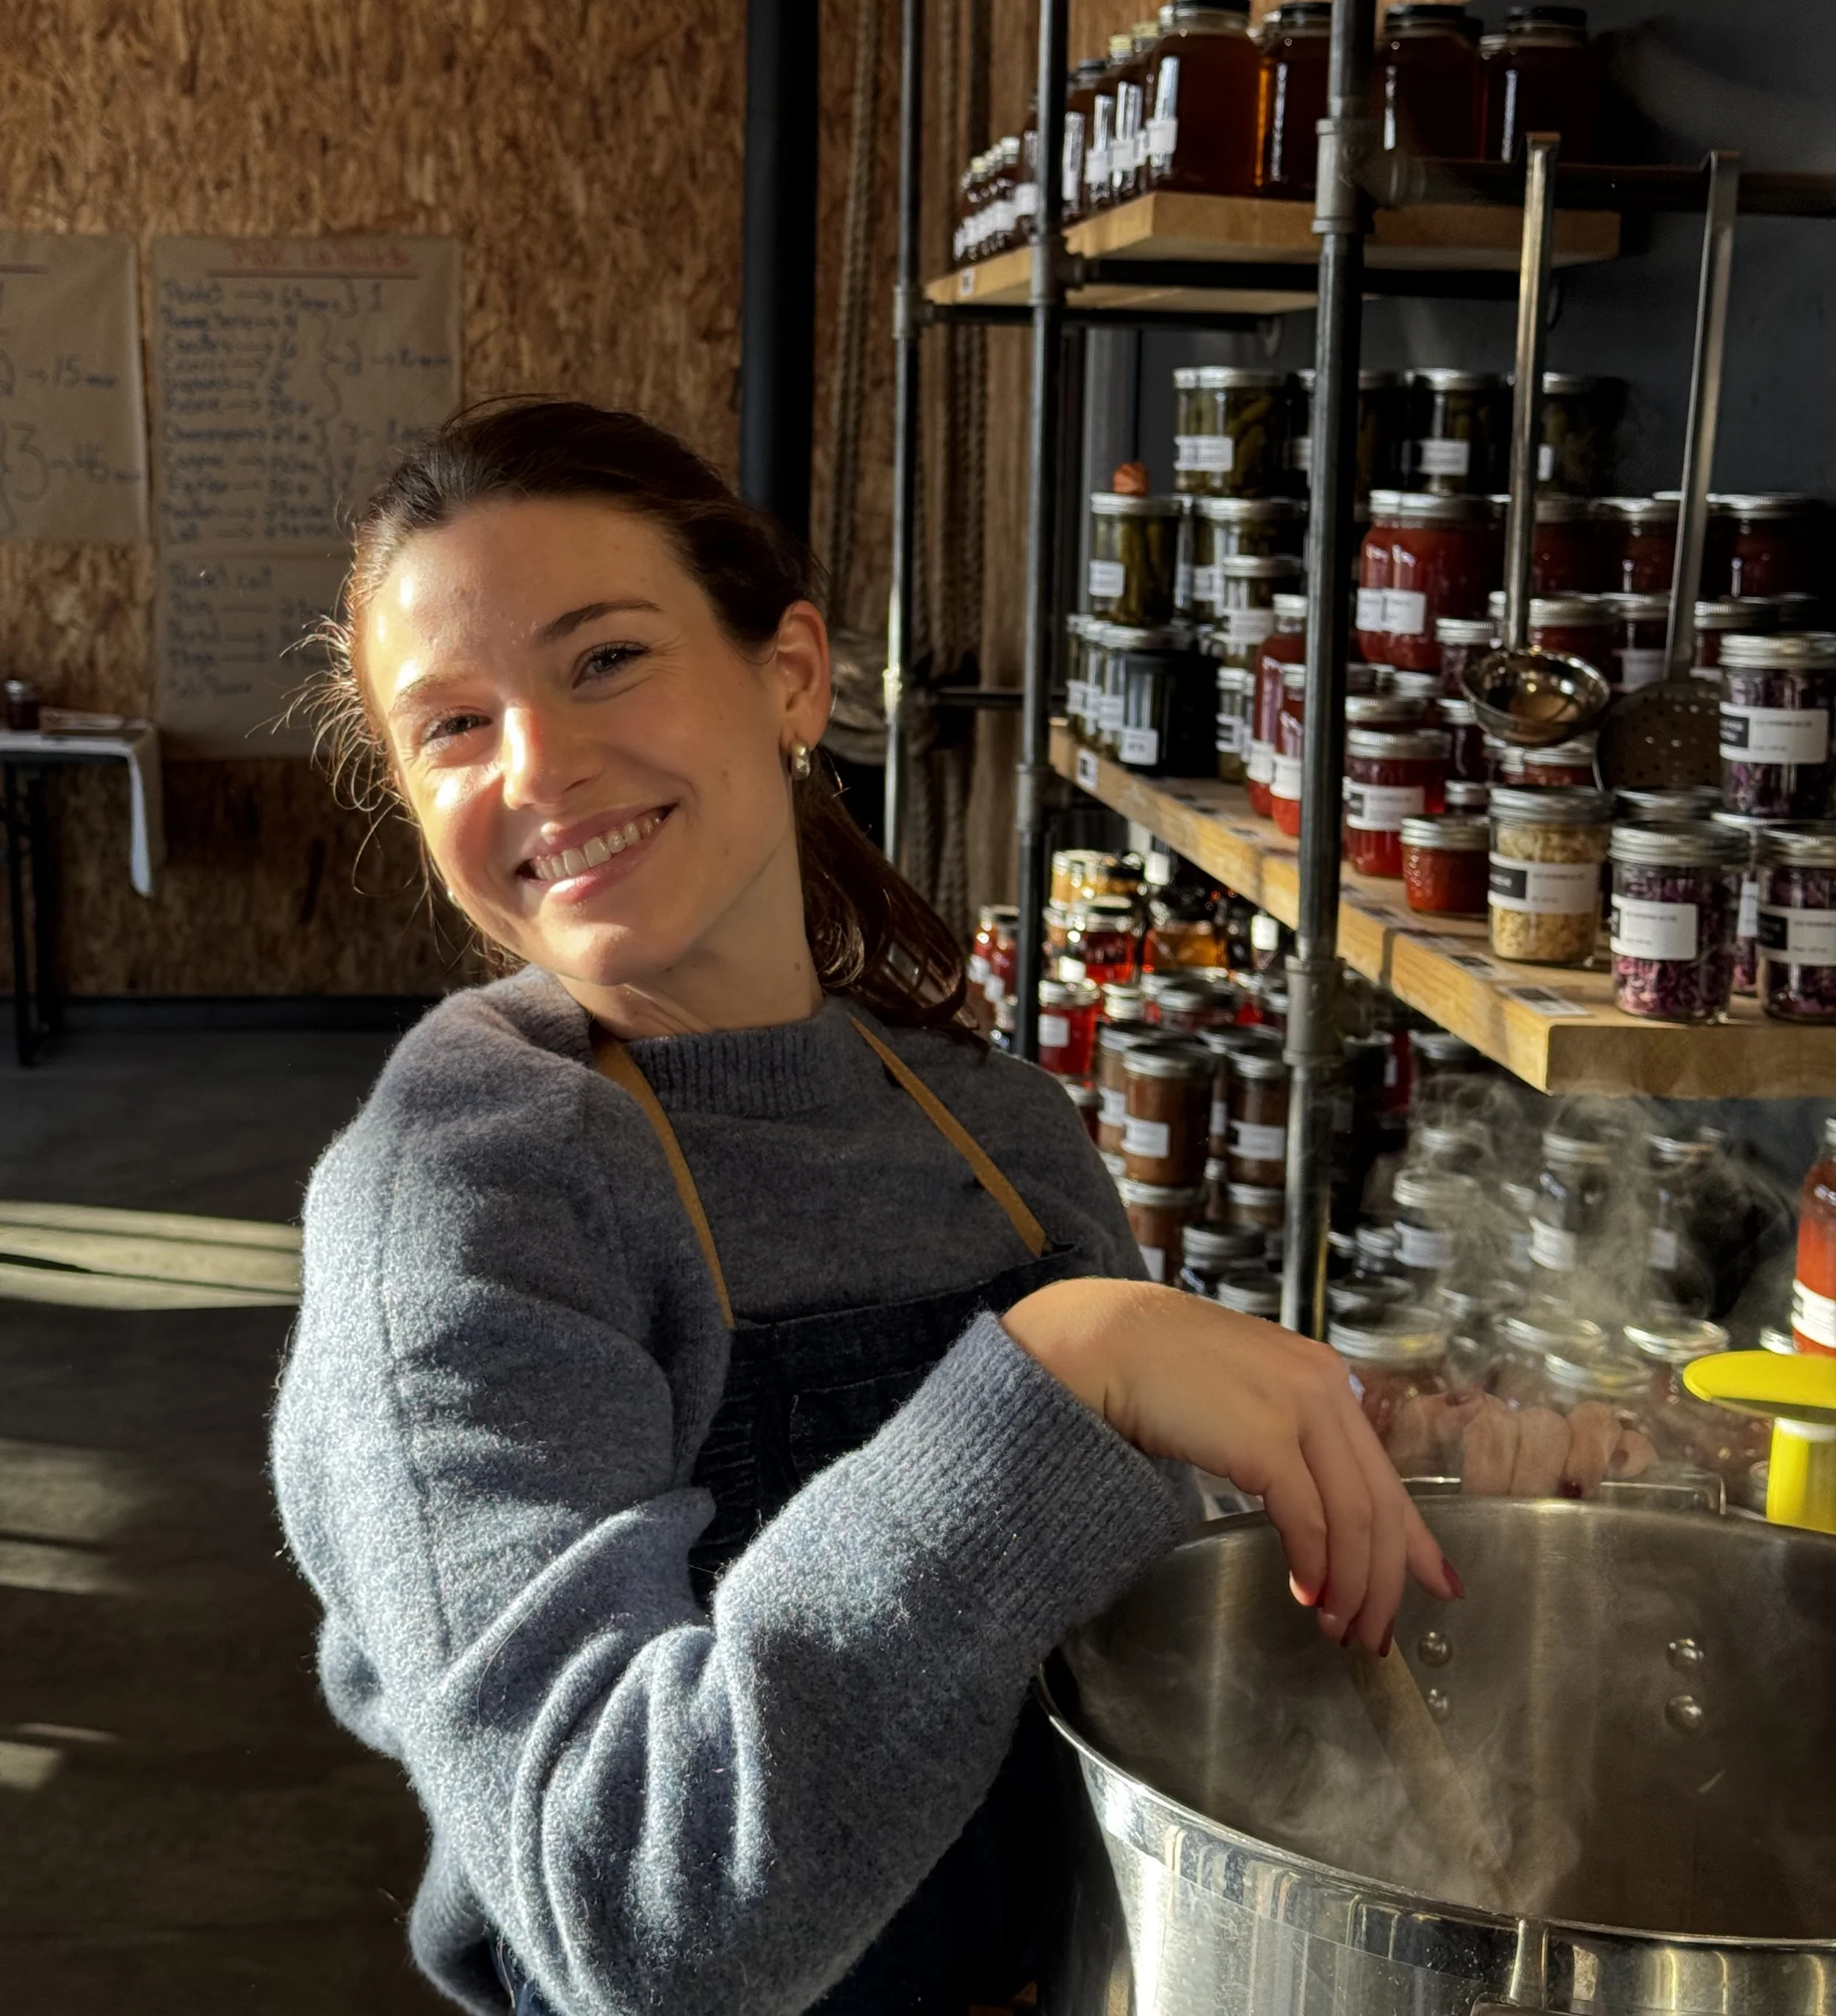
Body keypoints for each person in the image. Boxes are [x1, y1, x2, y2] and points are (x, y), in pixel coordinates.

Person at [269, 397, 1459, 2016]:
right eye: (454, 725)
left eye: (603, 658)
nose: (539, 761)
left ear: (792, 678)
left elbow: (1118, 1648)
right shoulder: (465, 1194)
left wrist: (1401, 1461)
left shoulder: (987, 1120)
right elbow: (637, 1918)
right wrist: (1055, 1377)